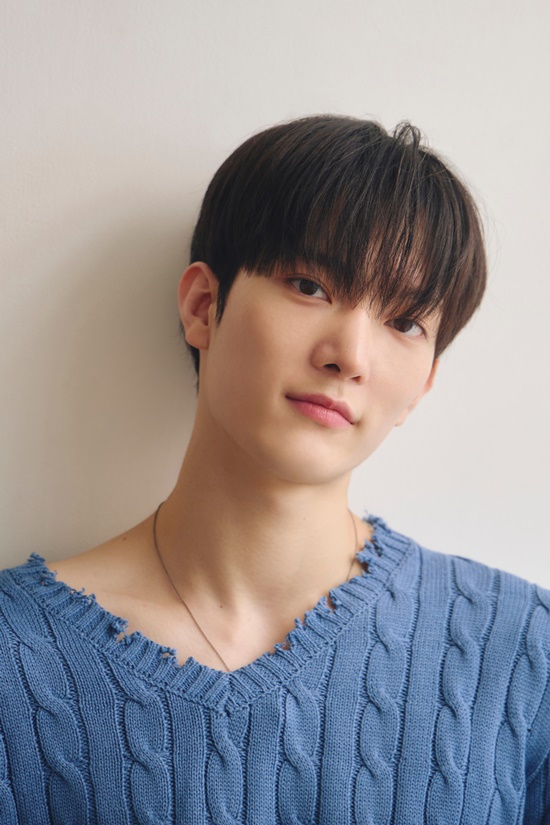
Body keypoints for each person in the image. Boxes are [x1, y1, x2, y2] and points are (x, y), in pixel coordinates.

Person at [0, 115, 548, 825]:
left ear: (423, 384)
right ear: (204, 306)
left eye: (405, 322)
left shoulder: (522, 654)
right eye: (310, 285)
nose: (350, 355)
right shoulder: (16, 659)